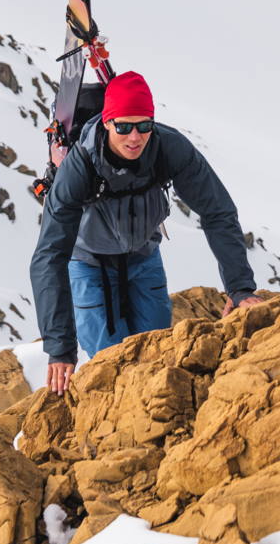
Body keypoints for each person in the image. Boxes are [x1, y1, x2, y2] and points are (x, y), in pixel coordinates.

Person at [30, 70, 262, 394]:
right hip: (88, 266)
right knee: (112, 372)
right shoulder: (80, 166)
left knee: (159, 360)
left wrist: (240, 289)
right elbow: (49, 256)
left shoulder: (170, 148)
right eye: (123, 126)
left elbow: (217, 209)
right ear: (107, 122)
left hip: (143, 258)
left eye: (144, 125)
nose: (134, 137)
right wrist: (60, 347)